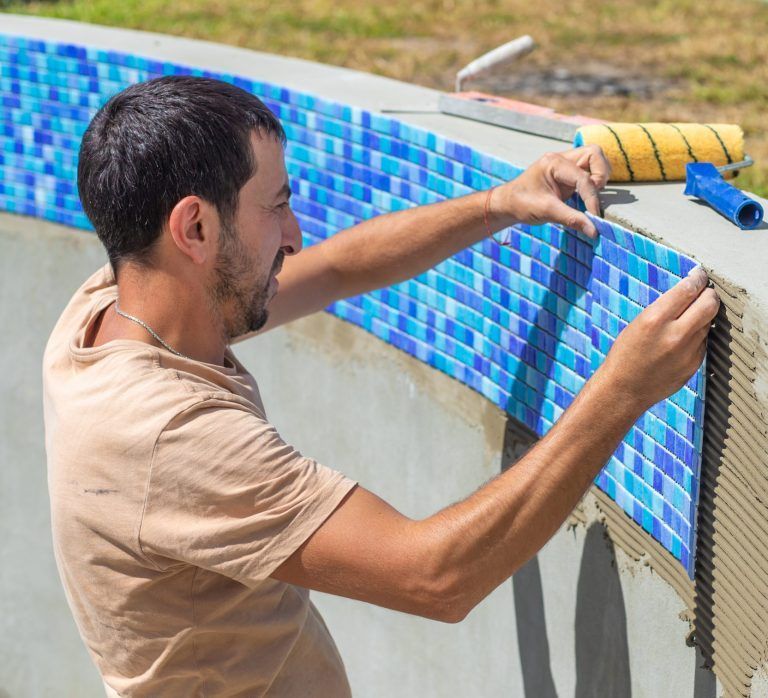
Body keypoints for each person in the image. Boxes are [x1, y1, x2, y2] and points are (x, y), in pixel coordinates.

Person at [43, 76, 719, 697]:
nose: (295, 233)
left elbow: (335, 270)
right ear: (194, 227)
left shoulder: (115, 309)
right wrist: (626, 388)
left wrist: (500, 204)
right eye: (275, 207)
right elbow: (437, 577)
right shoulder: (171, 439)